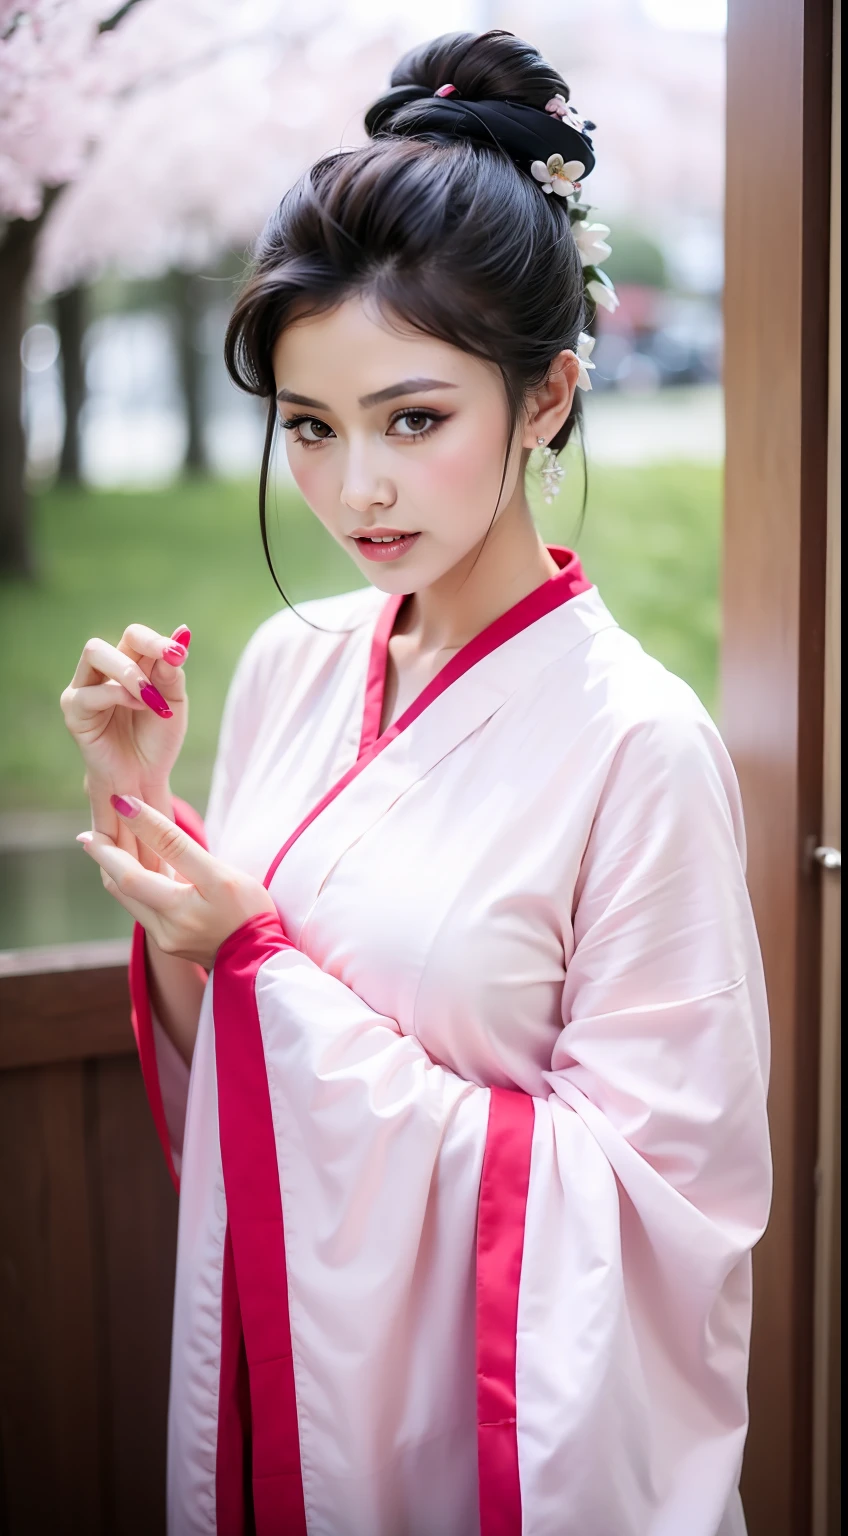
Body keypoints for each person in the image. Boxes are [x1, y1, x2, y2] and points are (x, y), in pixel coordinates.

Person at [60, 29, 772, 1536]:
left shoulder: (639, 747)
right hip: (287, 1373)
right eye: (310, 429)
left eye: (414, 420)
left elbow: (652, 1220)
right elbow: (229, 1048)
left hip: (473, 1440)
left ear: (551, 397)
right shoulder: (288, 665)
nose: (355, 491)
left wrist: (259, 959)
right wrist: (151, 807)